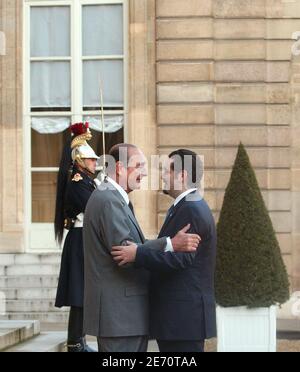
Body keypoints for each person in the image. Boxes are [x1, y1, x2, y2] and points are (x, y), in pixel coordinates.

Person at [83, 144, 201, 352]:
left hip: (126, 316)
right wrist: (170, 244)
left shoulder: (114, 197)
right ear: (119, 167)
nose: (145, 173)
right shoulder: (109, 200)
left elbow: (133, 249)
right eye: (139, 166)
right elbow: (125, 254)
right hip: (120, 316)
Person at [112, 149, 217, 352]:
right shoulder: (185, 206)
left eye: (165, 171)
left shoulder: (191, 209)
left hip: (183, 319)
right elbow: (171, 246)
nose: (161, 176)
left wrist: (138, 254)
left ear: (182, 176)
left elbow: (179, 259)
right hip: (179, 319)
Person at [54, 122, 99, 352]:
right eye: (91, 160)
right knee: (79, 293)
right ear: (80, 161)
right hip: (79, 239)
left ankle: (79, 339)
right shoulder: (78, 184)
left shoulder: (89, 182)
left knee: (84, 292)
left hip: (84, 239)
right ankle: (75, 341)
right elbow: (94, 208)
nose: (95, 163)